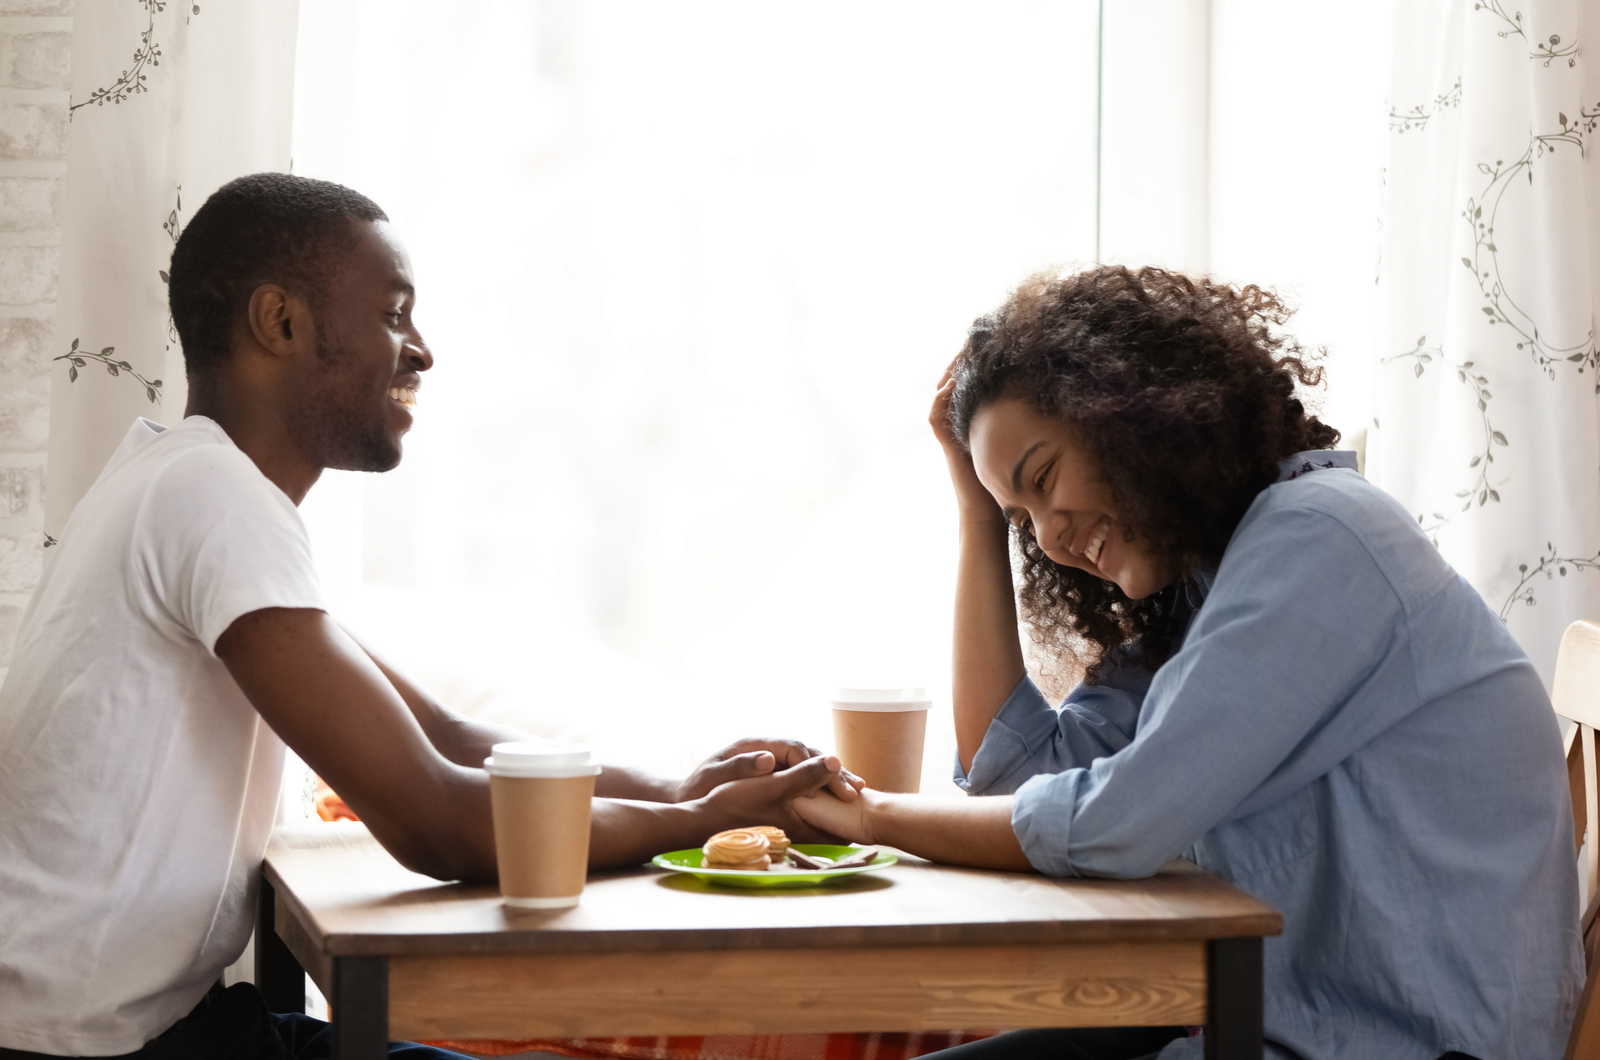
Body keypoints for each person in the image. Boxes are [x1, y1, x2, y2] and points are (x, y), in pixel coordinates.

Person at [0, 173, 855, 1060]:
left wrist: (675, 788)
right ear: (280, 323)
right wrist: (696, 825)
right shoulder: (212, 497)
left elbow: (437, 729)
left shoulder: (182, 483)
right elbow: (433, 819)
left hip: (142, 1032)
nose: (421, 352)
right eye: (394, 313)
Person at [795, 266, 1583, 1060]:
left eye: (1042, 482)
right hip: (1265, 1028)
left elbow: (1113, 822)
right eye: (1020, 517)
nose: (1050, 539)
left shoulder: (1325, 539)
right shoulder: (1211, 583)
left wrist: (871, 817)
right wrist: (978, 514)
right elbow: (1020, 780)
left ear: (1129, 419)